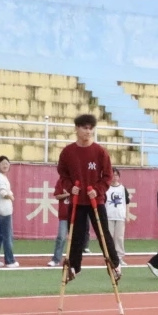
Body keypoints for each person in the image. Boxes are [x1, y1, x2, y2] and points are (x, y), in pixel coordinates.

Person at [55, 113, 119, 281]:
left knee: (103, 233)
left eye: (91, 129)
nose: (88, 132)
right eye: (85, 128)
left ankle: (114, 265)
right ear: (77, 129)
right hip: (77, 200)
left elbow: (107, 176)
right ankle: (74, 267)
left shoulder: (100, 152)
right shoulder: (68, 152)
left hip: (95, 200)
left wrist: (98, 190)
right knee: (75, 235)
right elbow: (63, 174)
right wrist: (70, 187)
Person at [104, 168, 130, 266]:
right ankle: (110, 257)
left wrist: (127, 215)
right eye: (112, 175)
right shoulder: (106, 188)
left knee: (119, 237)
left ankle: (119, 257)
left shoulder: (122, 188)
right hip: (108, 216)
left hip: (120, 216)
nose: (114, 177)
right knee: (109, 238)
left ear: (119, 176)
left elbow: (127, 202)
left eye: (116, 175)